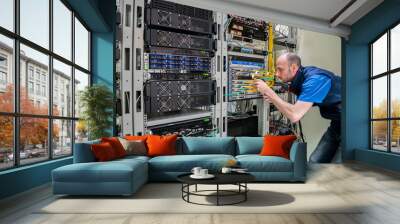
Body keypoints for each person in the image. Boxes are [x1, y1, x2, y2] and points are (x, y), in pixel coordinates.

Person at [255, 52, 341, 163]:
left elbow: (295, 115)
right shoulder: (304, 76)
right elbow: (300, 105)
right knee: (315, 161)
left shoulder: (315, 80)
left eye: (280, 69)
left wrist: (269, 91)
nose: (276, 74)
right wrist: (273, 98)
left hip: (351, 124)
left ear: (294, 67)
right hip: (338, 123)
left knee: (338, 166)